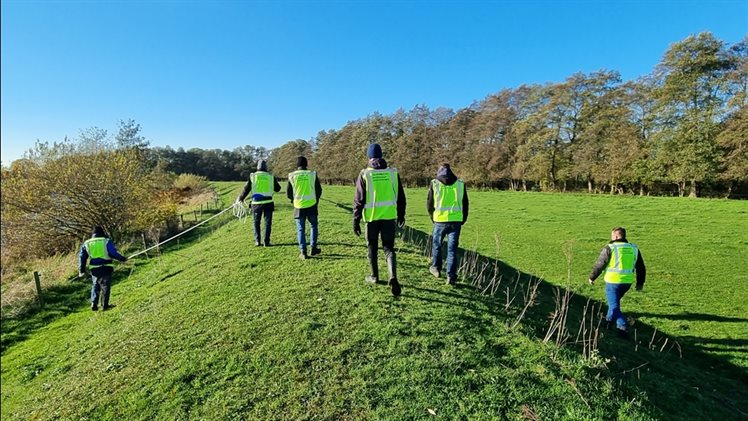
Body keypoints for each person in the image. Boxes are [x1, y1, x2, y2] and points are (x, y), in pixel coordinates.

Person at [353, 143, 406, 297]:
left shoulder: (365, 174)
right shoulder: (392, 173)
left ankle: (374, 276)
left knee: (372, 247)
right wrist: (401, 215)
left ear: (369, 157)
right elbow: (401, 197)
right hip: (389, 216)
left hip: (372, 218)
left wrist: (355, 220)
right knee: (389, 248)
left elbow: (359, 200)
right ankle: (392, 276)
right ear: (382, 156)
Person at [588, 227, 646, 338]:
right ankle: (608, 321)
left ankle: (622, 327)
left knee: (614, 306)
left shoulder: (610, 248)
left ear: (615, 236)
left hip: (612, 282)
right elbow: (641, 267)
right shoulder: (634, 248)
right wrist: (640, 283)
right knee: (613, 303)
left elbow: (600, 264)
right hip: (627, 282)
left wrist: (592, 277)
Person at [427, 163, 469, 285]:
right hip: (455, 221)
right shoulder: (460, 184)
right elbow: (465, 203)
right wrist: (463, 219)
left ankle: (436, 268)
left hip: (439, 220)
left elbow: (429, 204)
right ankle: (451, 276)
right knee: (452, 250)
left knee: (437, 245)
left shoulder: (435, 183)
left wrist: (432, 217)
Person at [78, 226, 127, 311]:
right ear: (102, 233)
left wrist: (82, 269)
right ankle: (104, 305)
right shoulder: (106, 241)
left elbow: (82, 257)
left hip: (94, 268)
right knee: (105, 286)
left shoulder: (87, 243)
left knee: (95, 285)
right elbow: (113, 253)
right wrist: (122, 258)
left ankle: (94, 303)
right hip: (106, 267)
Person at [236, 160, 281, 247]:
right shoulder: (270, 177)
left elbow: (246, 189)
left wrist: (241, 198)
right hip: (268, 202)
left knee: (256, 222)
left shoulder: (253, 176)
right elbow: (278, 189)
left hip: (256, 203)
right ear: (266, 167)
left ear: (257, 167)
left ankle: (257, 241)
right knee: (267, 223)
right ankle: (266, 242)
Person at [287, 156, 323, 259]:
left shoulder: (292, 176)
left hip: (298, 206)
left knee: (300, 229)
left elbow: (289, 193)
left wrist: (293, 201)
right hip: (312, 205)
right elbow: (319, 190)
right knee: (313, 226)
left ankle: (303, 252)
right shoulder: (312, 174)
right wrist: (316, 200)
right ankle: (313, 247)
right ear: (306, 164)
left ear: (297, 165)